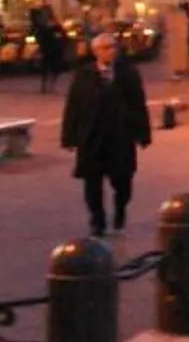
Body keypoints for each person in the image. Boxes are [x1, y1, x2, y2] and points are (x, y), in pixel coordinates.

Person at [60, 30, 150, 234]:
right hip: (92, 138)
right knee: (92, 183)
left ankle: (120, 210)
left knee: (123, 181)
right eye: (106, 48)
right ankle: (97, 220)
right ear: (96, 52)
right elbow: (73, 106)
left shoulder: (128, 73)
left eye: (114, 47)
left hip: (120, 137)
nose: (112, 52)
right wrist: (69, 137)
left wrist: (143, 134)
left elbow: (138, 104)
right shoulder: (83, 75)